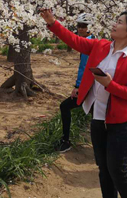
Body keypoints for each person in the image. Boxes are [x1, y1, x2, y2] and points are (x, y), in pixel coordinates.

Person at [40, 9, 127, 198]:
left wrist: (110, 85)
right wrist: (52, 23)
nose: (114, 24)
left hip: (122, 123)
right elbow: (75, 41)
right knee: (104, 169)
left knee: (118, 171)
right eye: (116, 20)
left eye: (120, 22)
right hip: (98, 119)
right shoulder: (101, 46)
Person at [56, 13, 95, 153]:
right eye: (78, 26)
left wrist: (78, 87)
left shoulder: (88, 43)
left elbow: (84, 67)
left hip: (89, 87)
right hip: (95, 86)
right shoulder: (92, 40)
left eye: (84, 26)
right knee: (95, 114)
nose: (80, 28)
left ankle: (66, 140)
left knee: (65, 106)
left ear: (90, 27)